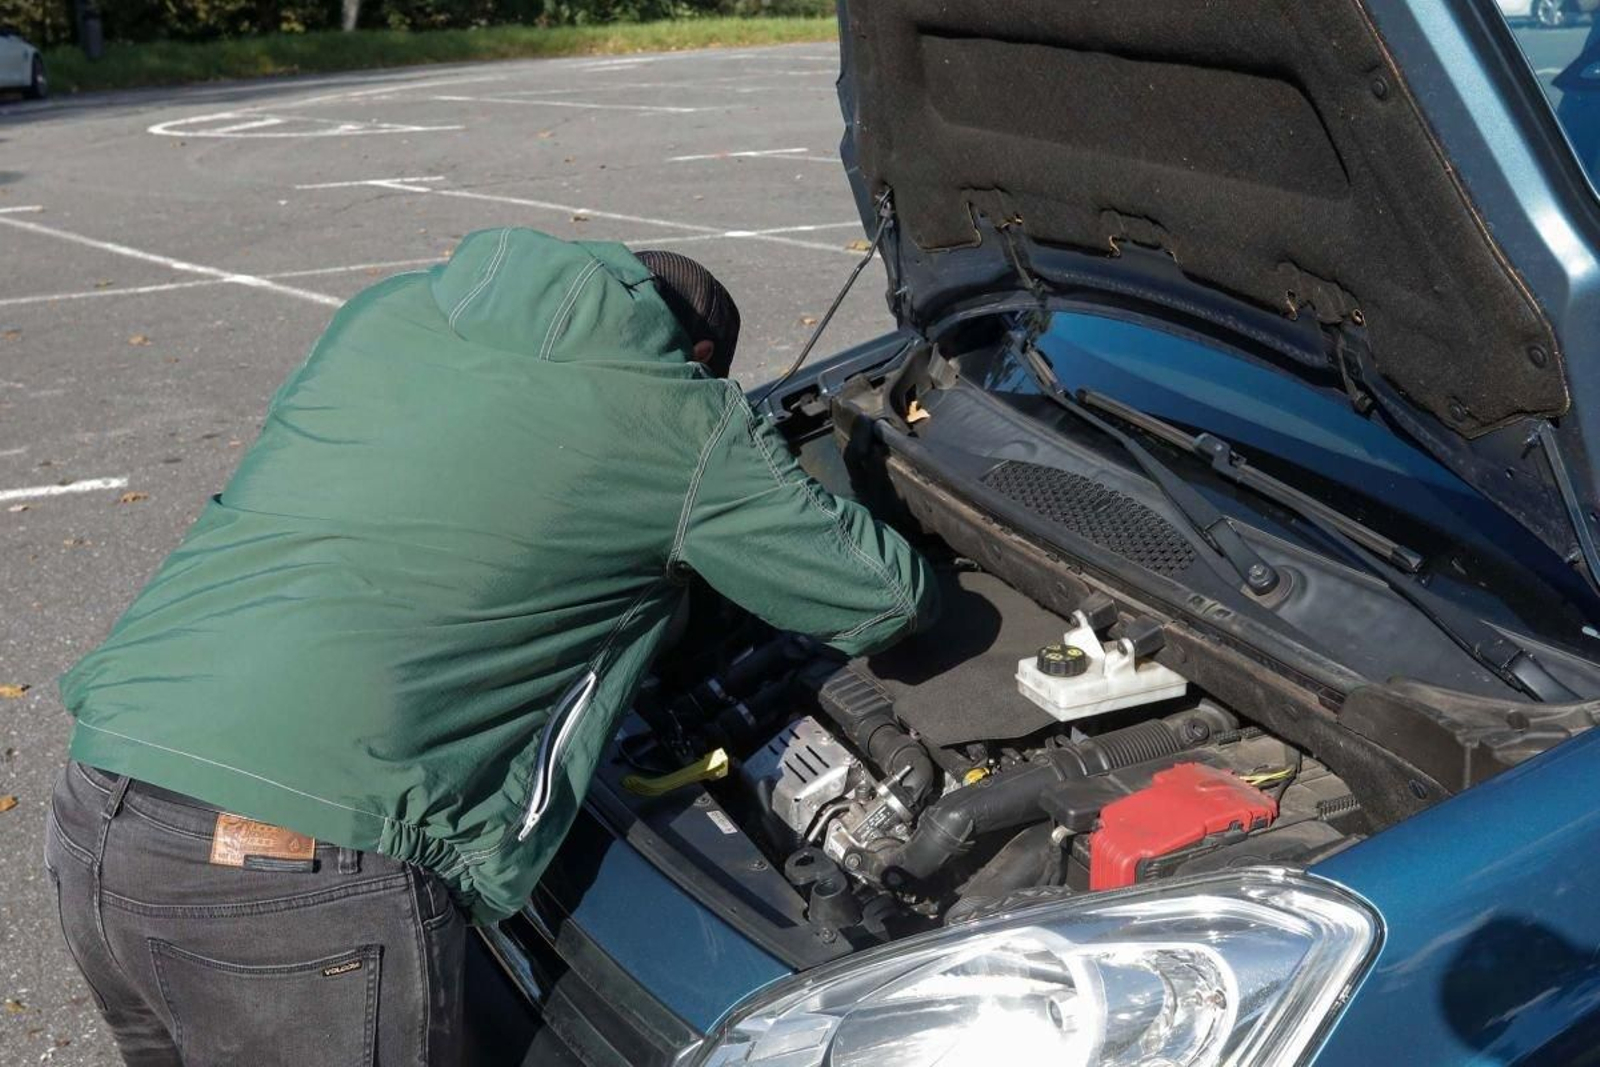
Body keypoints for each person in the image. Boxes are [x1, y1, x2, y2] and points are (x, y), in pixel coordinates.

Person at [44, 230, 938, 1066]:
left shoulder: (391, 314)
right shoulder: (677, 415)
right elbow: (884, 598)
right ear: (697, 356)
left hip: (103, 797)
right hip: (290, 873)